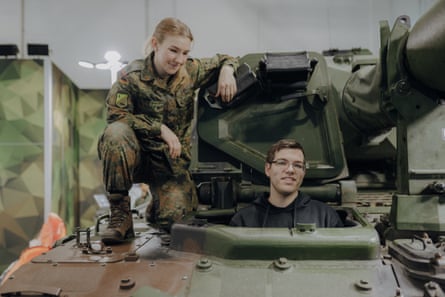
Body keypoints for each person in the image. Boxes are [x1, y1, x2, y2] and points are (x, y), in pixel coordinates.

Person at [98, 17, 239, 244]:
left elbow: (228, 58)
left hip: (171, 163)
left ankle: (157, 207)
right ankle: (120, 216)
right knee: (115, 134)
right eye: (173, 50)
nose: (179, 60)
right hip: (137, 158)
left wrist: (227, 70)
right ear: (155, 44)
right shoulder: (130, 77)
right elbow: (116, 116)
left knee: (177, 224)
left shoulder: (190, 71)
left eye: (185, 52)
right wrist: (159, 128)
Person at [229, 139, 344, 228]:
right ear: (268, 169)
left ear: (303, 172)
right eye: (282, 163)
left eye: (297, 165)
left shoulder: (325, 217)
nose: (290, 170)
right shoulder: (243, 220)